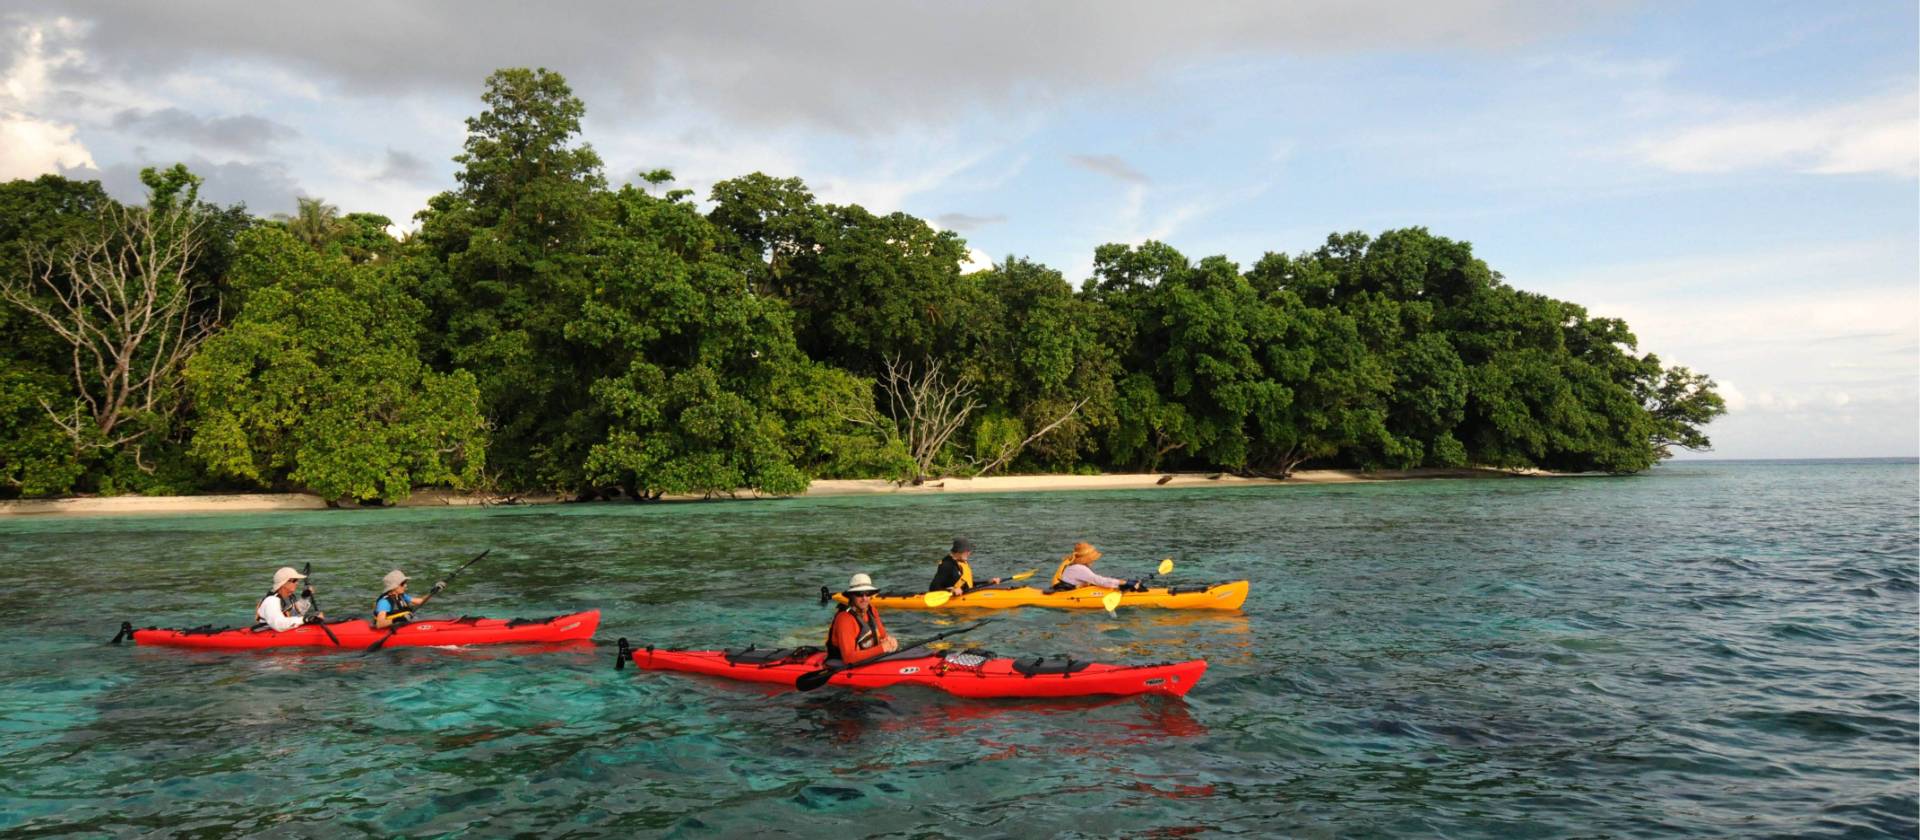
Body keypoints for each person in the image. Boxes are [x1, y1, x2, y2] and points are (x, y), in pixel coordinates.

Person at [825, 573, 899, 665]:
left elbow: (883, 636)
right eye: (859, 594)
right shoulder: (845, 619)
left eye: (867, 593)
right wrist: (882, 649)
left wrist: (890, 641)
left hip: (869, 660)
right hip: (844, 665)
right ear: (851, 596)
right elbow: (848, 658)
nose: (864, 598)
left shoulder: (871, 609)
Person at [1049, 542, 1148, 592]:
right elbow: (1099, 581)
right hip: (1069, 596)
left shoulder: (1072, 566)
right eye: (1091, 558)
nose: (1093, 560)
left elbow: (1095, 580)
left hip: (1066, 591)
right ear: (1086, 559)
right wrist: (1126, 583)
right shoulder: (1079, 568)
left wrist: (1122, 584)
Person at [255, 566, 324, 631]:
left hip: (284, 629)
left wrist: (304, 598)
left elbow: (296, 613)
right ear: (284, 583)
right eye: (294, 580)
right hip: (270, 632)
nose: (297, 583)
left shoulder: (289, 597)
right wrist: (305, 619)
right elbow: (278, 624)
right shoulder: (271, 601)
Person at [927, 537, 1002, 595]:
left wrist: (988, 581)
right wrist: (951, 590)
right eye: (966, 551)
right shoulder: (946, 565)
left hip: (967, 594)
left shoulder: (961, 562)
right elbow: (933, 588)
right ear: (958, 551)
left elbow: (968, 584)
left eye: (969, 551)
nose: (969, 553)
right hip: (953, 601)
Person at [373, 570, 444, 629]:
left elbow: (420, 601)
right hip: (392, 628)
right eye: (402, 583)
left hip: (403, 624)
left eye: (405, 583)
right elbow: (380, 624)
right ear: (393, 587)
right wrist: (400, 619)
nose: (405, 585)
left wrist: (433, 591)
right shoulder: (384, 602)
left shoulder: (401, 595)